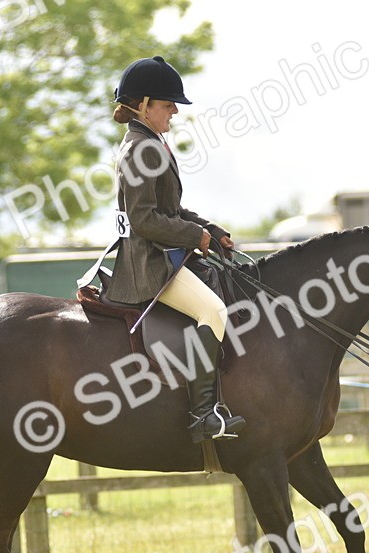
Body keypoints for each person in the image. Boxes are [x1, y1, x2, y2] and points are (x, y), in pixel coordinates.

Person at [109, 55, 246, 443]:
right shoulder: (140, 148)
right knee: (212, 309)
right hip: (147, 263)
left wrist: (210, 230)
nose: (172, 114)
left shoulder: (151, 142)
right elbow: (144, 220)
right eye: (168, 106)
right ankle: (203, 414)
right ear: (145, 104)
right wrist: (194, 237)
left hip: (161, 253)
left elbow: (172, 210)